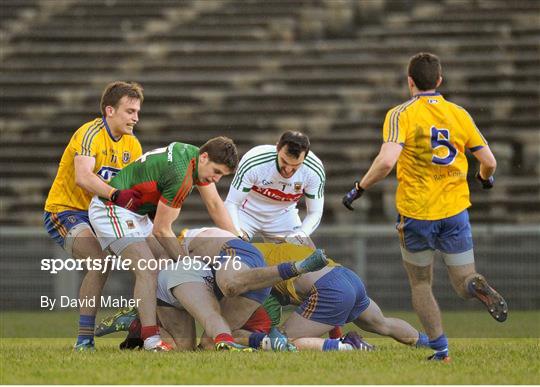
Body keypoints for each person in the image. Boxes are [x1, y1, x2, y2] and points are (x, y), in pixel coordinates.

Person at [342, 52, 507, 361]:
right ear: (440, 81)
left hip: (417, 214)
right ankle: (476, 284)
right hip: (455, 211)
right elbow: (489, 162)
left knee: (420, 283)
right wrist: (485, 180)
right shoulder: (458, 113)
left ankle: (441, 350)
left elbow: (387, 161)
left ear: (410, 82)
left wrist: (359, 188)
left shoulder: (401, 114)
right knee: (462, 281)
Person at [89, 138, 239, 351]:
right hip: (111, 209)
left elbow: (215, 204)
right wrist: (188, 265)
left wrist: (238, 240)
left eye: (221, 175)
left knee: (167, 264)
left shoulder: (195, 157)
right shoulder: (181, 175)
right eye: (216, 172)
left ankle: (136, 322)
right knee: (148, 268)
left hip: (136, 213)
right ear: (204, 157)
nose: (216, 178)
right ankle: (151, 340)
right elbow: (161, 229)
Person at [95, 227, 329, 351]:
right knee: (200, 342)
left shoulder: (185, 249)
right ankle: (293, 270)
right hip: (217, 271)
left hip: (233, 259)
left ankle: (138, 322)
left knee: (217, 316)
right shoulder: (179, 256)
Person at [43, 81, 145, 351]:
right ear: (109, 110)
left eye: (137, 112)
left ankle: (140, 325)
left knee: (146, 259)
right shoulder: (90, 133)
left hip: (102, 213)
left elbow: (133, 189)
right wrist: (116, 195)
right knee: (99, 262)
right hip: (65, 210)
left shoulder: (133, 145)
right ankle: (84, 339)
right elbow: (83, 177)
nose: (135, 118)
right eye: (130, 111)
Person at [225, 131, 325, 247]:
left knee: (308, 258)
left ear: (305, 157)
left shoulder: (314, 170)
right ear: (277, 148)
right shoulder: (254, 161)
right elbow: (232, 203)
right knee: (232, 249)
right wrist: (237, 232)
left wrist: (301, 234)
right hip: (246, 212)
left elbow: (315, 212)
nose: (288, 170)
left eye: (296, 165)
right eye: (284, 161)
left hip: (283, 216)